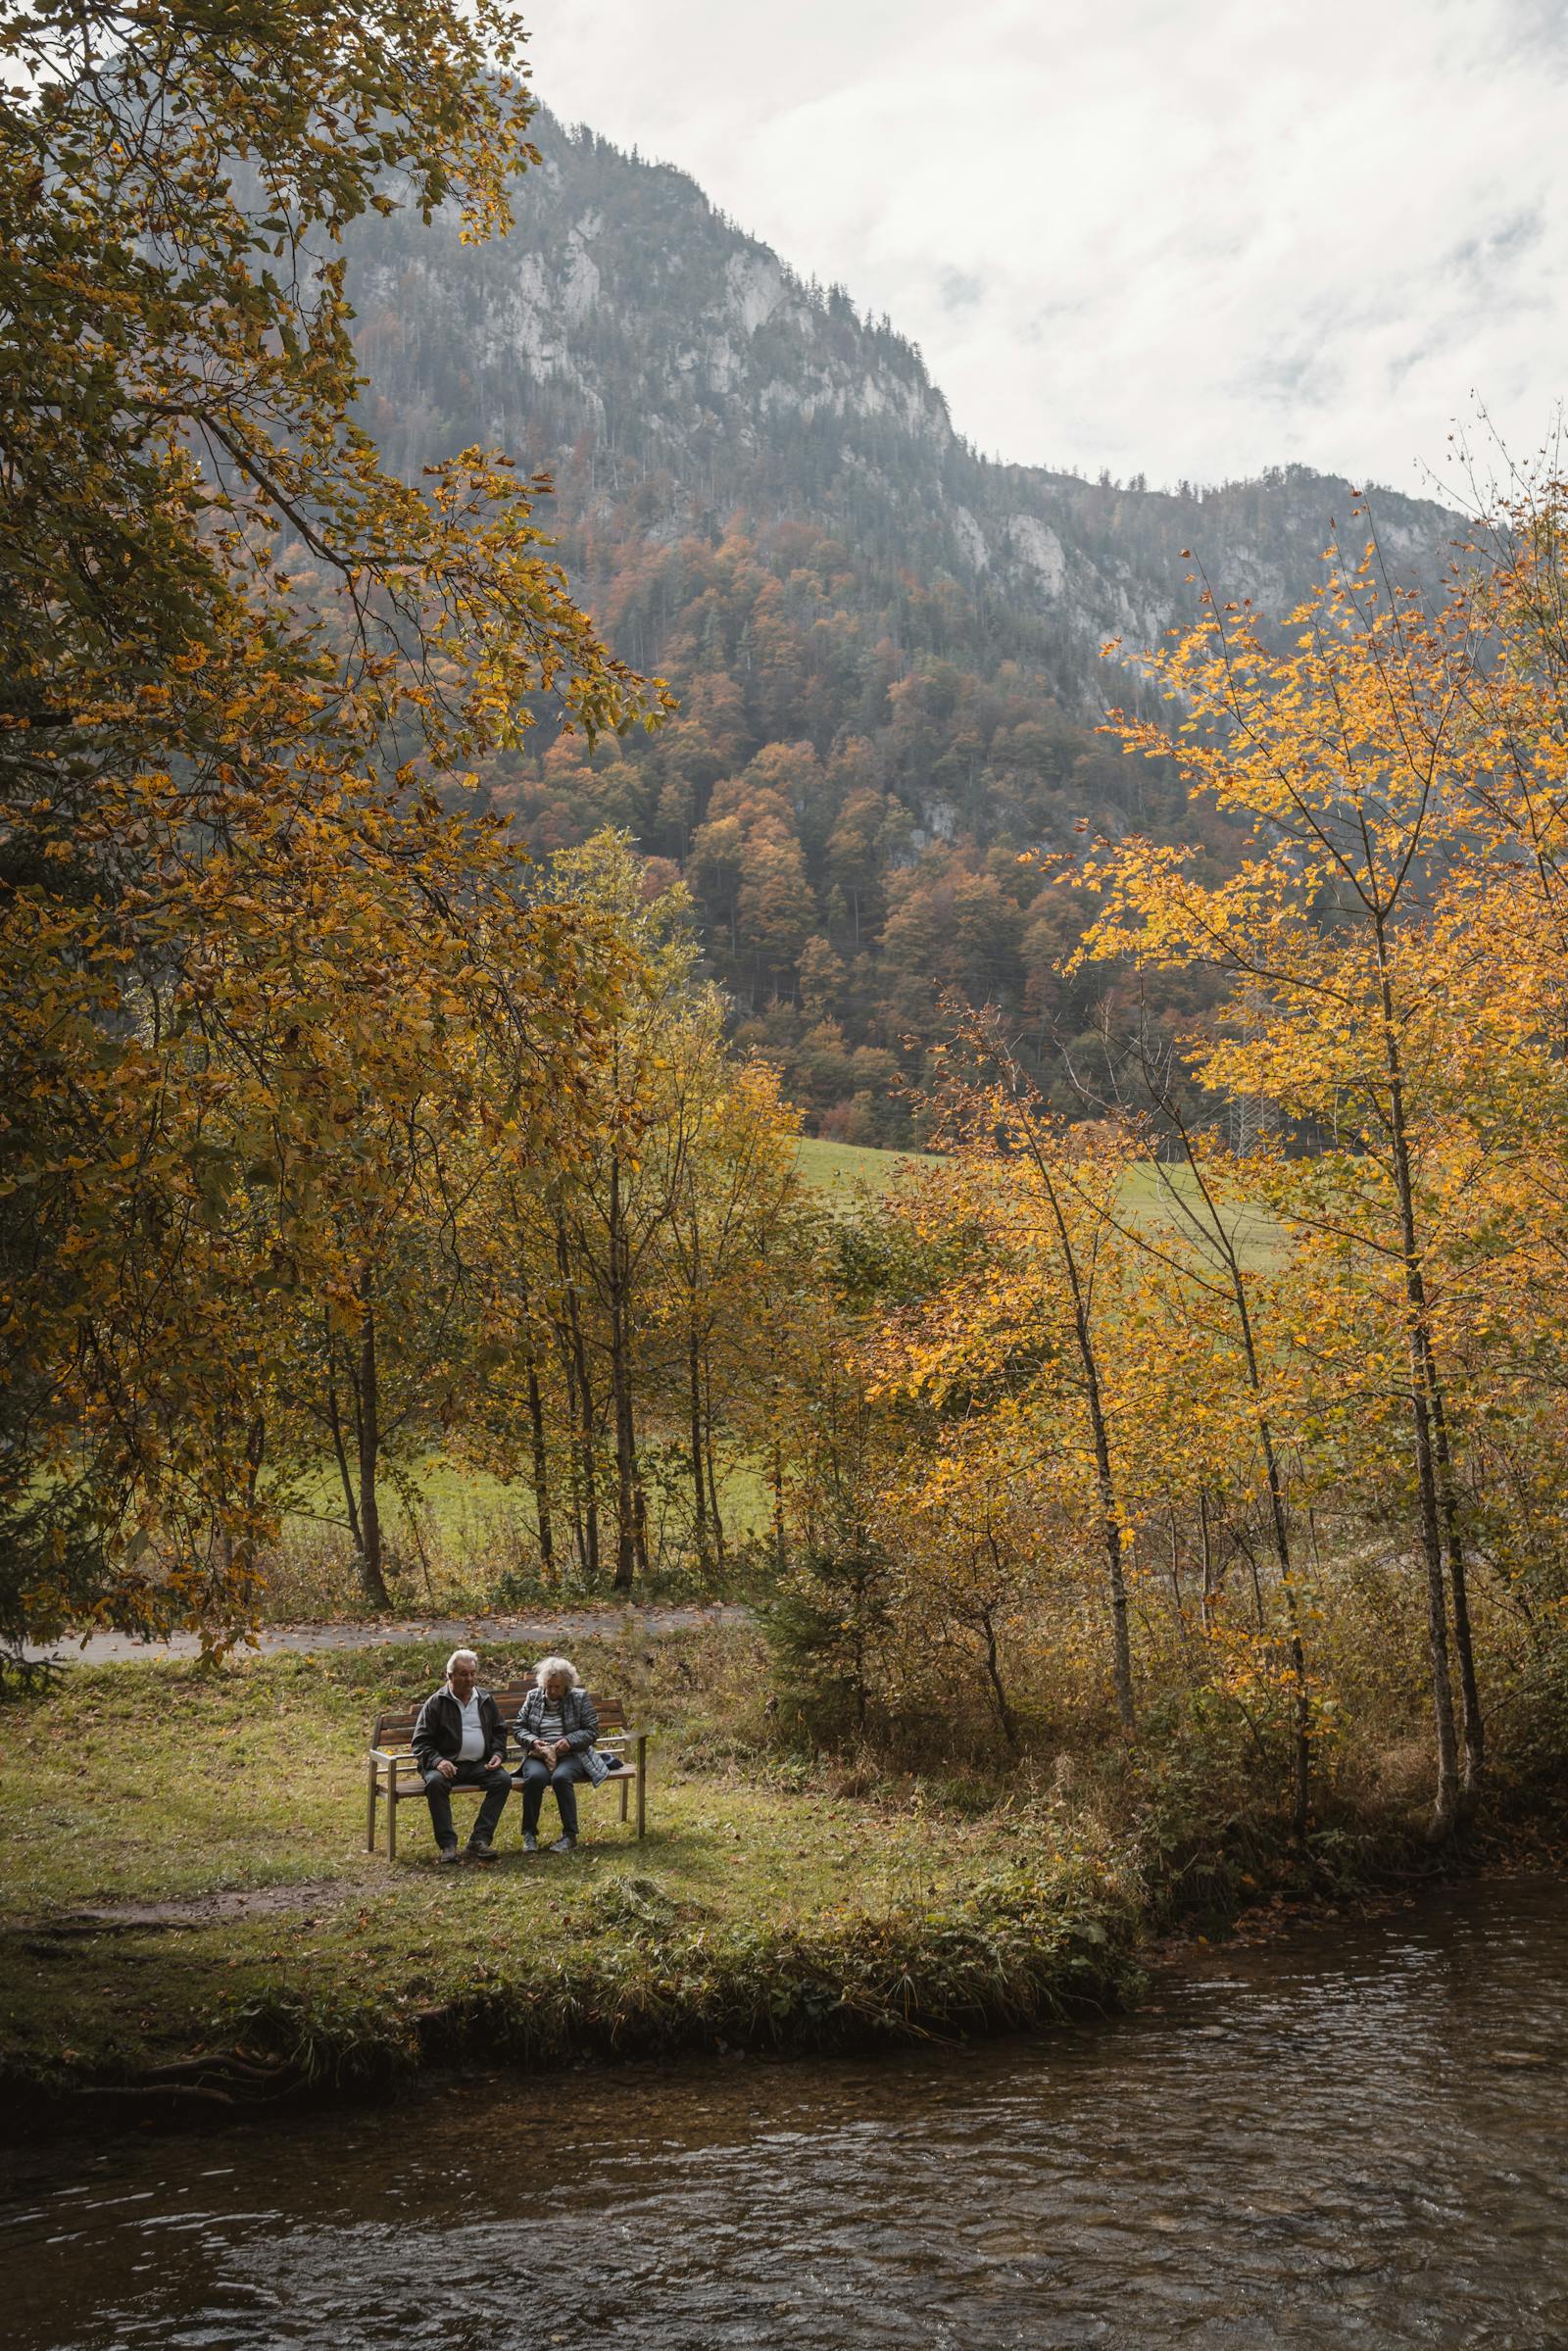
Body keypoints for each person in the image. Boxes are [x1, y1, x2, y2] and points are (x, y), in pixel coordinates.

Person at [411, 1648, 512, 1863]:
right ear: (449, 1676)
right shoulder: (436, 1703)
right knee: (435, 1783)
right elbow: (420, 1742)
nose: (469, 1679)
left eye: (473, 1673)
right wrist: (438, 1761)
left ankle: (479, 1841)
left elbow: (499, 1731)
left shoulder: (485, 1699)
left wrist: (498, 1754)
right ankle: (448, 1845)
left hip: (479, 1764)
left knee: (502, 1780)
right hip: (447, 1766)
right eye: (463, 1674)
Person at [514, 1654, 599, 1852]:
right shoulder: (533, 1697)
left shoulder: (579, 1698)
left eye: (557, 1687)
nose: (551, 1691)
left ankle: (570, 1836)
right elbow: (519, 1728)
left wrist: (569, 1741)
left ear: (566, 1685)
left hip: (572, 1755)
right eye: (548, 1686)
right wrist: (533, 1741)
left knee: (561, 1778)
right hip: (538, 1754)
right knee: (534, 1778)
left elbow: (592, 1730)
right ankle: (529, 1834)